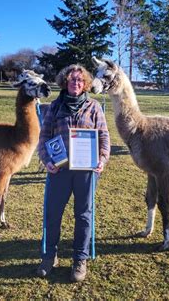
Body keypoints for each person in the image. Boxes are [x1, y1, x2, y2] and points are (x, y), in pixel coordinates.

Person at [37, 64, 110, 282]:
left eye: (79, 80)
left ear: (85, 83)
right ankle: (50, 255)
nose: (76, 83)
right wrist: (47, 160)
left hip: (86, 171)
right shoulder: (55, 107)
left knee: (83, 215)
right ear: (65, 82)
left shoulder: (94, 107)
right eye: (72, 80)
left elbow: (104, 137)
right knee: (53, 214)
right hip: (59, 170)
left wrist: (102, 159)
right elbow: (44, 139)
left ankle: (80, 258)